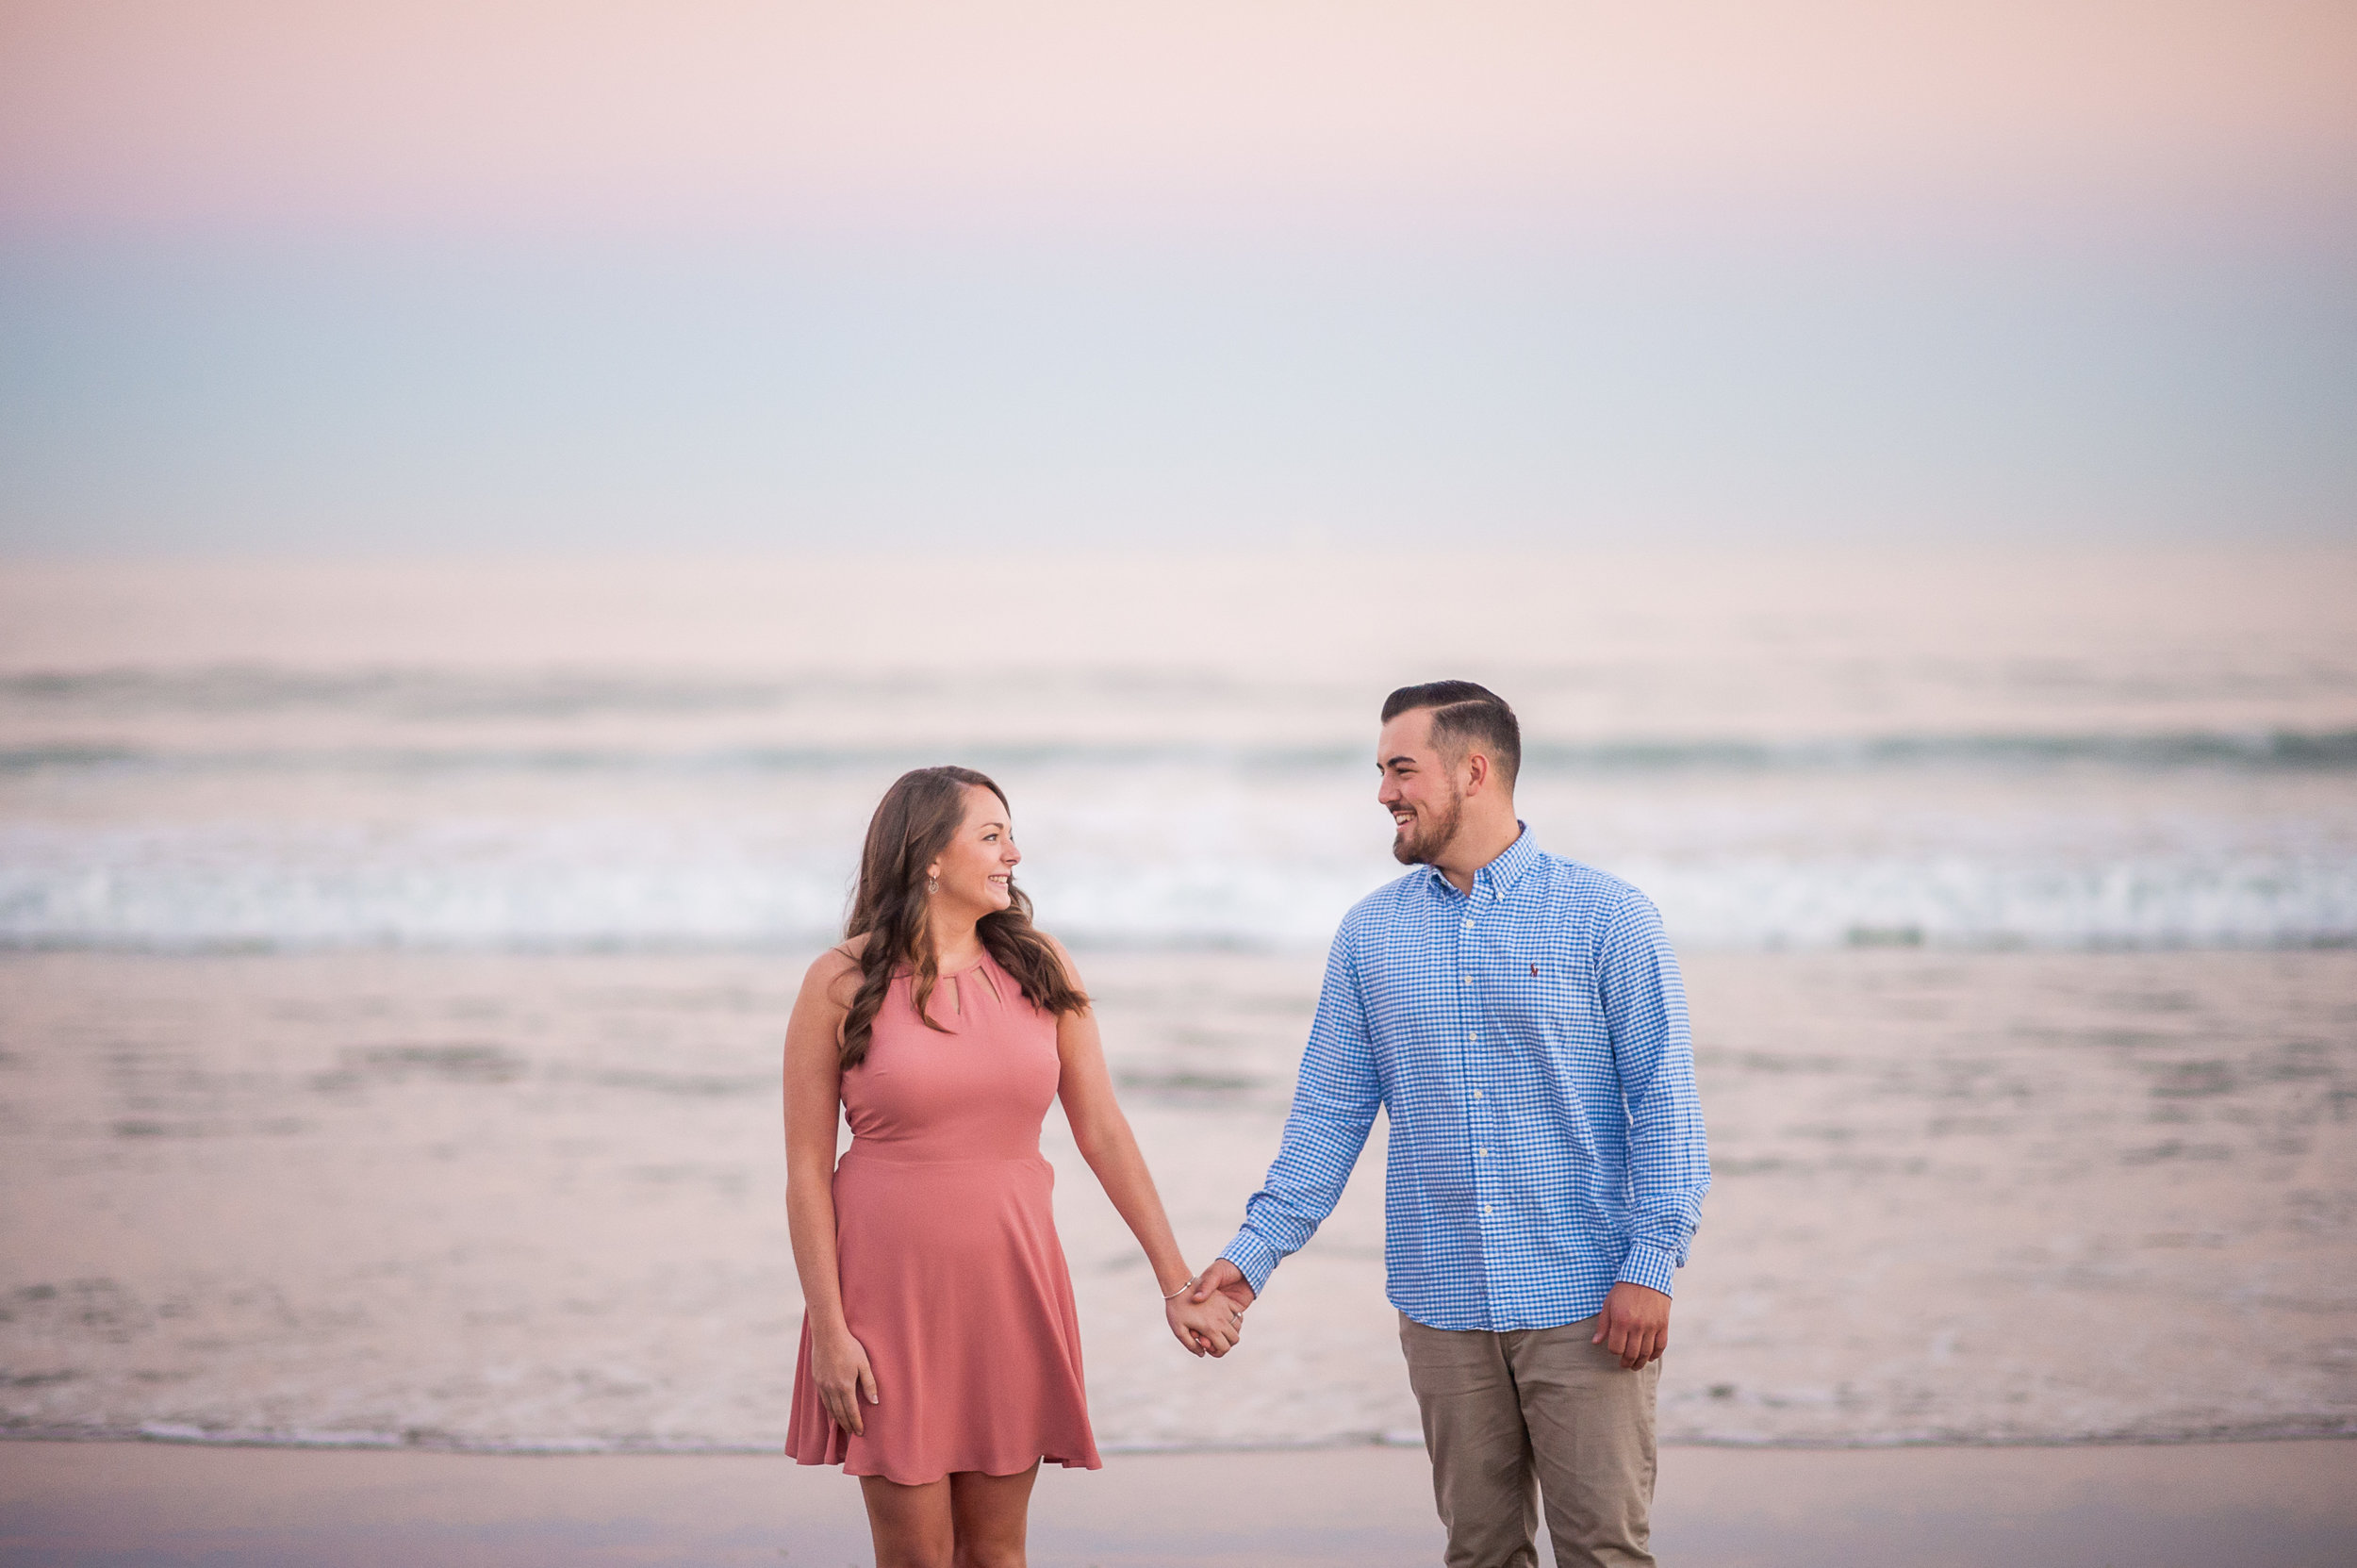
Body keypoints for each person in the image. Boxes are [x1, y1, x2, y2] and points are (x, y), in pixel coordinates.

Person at [1190, 682, 1710, 1568]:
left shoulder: (1609, 918)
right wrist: (1252, 1257)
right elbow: (1329, 1114)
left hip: (1587, 1302)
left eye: (1402, 769)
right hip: (1442, 1307)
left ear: (1474, 771)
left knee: (1605, 1552)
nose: (1385, 793)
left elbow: (1666, 1105)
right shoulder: (1370, 936)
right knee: (1477, 1553)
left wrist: (1653, 1263)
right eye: (1382, 772)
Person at [783, 766, 1239, 1568]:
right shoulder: (837, 980)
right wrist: (829, 1327)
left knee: (997, 1555)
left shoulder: (1040, 965)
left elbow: (1102, 1130)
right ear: (928, 855)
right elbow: (805, 1170)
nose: (1014, 854)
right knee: (918, 1558)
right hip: (887, 1299)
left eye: (1011, 834)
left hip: (1010, 1287)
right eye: (991, 835)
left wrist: (1177, 1281)